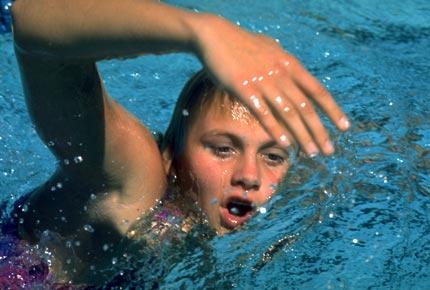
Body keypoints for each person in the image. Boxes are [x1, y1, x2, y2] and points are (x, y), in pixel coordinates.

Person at [8, 0, 350, 286]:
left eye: (273, 156)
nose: (249, 174)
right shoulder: (137, 185)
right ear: (172, 155)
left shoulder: (291, 194)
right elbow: (31, 22)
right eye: (222, 149)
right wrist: (199, 31)